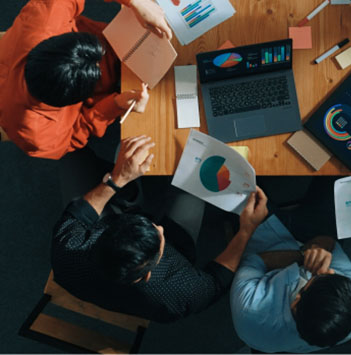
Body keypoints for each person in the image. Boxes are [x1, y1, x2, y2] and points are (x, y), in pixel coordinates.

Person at [51, 135, 268, 322]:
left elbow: (78, 214)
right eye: (159, 237)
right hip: (178, 244)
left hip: (101, 250)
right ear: (147, 276)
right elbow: (216, 281)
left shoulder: (67, 250)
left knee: (72, 154)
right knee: (196, 185)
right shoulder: (181, 295)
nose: (161, 229)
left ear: (102, 233)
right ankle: (131, 197)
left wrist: (117, 179)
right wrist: (246, 230)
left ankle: (128, 195)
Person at [0, 0, 172, 159]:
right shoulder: (34, 134)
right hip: (105, 105)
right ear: (67, 103)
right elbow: (72, 137)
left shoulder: (46, 20)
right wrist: (113, 106)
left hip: (119, 38)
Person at [230, 215, 351, 353]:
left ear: (296, 301)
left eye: (318, 276)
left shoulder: (249, 310)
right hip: (307, 238)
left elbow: (252, 261)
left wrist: (303, 257)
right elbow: (330, 243)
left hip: (266, 242)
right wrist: (320, 247)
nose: (330, 270)